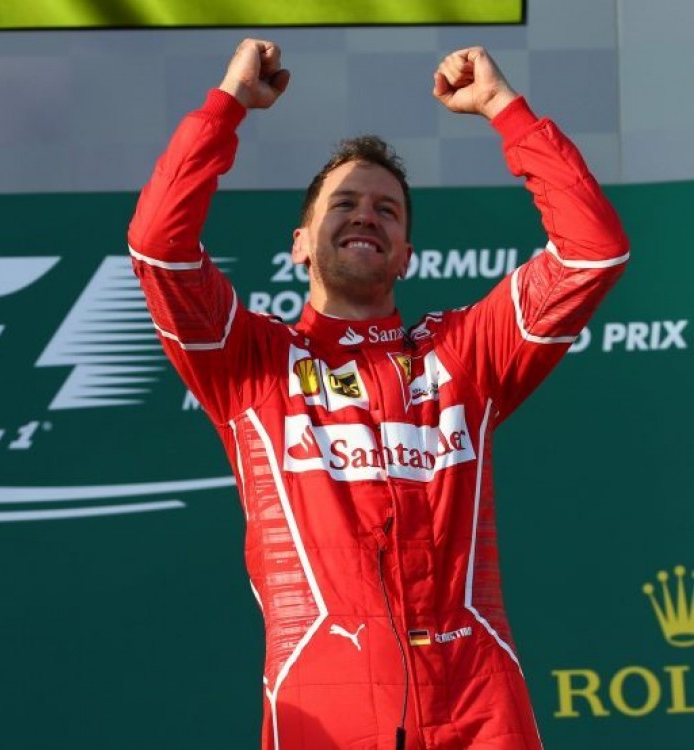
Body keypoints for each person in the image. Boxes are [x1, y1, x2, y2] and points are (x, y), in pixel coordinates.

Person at [128, 39, 628, 749]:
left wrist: (503, 108)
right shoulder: (250, 362)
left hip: (478, 697)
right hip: (324, 692)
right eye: (345, 203)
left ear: (406, 256)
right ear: (300, 244)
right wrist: (228, 104)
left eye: (387, 210)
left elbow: (591, 252)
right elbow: (159, 245)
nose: (366, 215)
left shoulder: (463, 354)